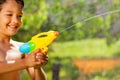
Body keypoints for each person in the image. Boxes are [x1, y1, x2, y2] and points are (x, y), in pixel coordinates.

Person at [0, 0, 48, 80]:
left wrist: (37, 66)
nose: (15, 21)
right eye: (9, 14)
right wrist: (26, 62)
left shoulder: (22, 48)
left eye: (19, 16)